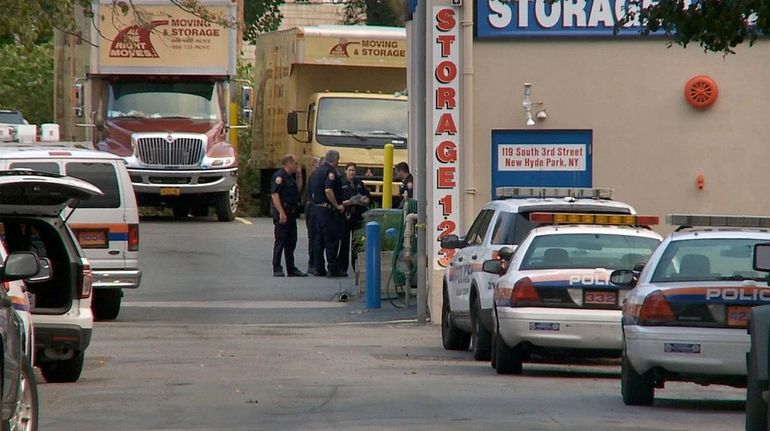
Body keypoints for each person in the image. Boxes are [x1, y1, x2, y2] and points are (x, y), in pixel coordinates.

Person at [311, 150, 347, 278]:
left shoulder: (317, 172)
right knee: (331, 239)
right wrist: (337, 205)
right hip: (328, 210)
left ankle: (318, 267)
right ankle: (332, 268)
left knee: (319, 240)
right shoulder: (331, 172)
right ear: (335, 159)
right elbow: (328, 190)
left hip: (317, 209)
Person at [270, 154, 307, 277]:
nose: (297, 166)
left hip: (291, 213)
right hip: (283, 212)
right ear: (289, 163)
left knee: (291, 241)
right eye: (295, 163)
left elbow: (297, 189)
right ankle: (277, 267)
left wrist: (299, 175)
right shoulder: (279, 176)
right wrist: (281, 212)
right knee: (280, 241)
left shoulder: (290, 177)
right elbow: (275, 196)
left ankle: (291, 268)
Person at [339, 163, 371, 274]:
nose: (352, 172)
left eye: (353, 170)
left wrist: (362, 200)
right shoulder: (340, 183)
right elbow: (337, 200)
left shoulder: (359, 183)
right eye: (350, 170)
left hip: (357, 215)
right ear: (345, 171)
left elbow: (367, 197)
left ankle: (356, 267)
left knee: (356, 243)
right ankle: (342, 268)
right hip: (345, 215)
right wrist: (347, 202)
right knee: (344, 242)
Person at [305, 156, 326, 276]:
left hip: (314, 207)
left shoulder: (315, 176)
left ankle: (315, 263)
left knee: (317, 238)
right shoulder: (316, 177)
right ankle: (312, 264)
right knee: (314, 238)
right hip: (313, 208)